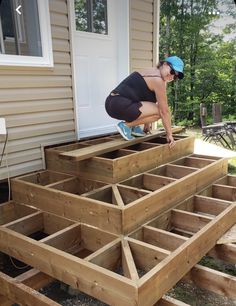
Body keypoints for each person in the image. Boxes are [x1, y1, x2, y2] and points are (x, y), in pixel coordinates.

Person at [105, 56, 184, 148]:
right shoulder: (158, 80)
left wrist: (147, 124)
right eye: (172, 71)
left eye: (176, 76)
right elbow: (164, 111)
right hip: (119, 104)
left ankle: (134, 127)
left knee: (158, 109)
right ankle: (126, 125)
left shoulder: (153, 72)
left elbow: (146, 99)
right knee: (159, 112)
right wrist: (169, 134)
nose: (172, 76)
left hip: (112, 102)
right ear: (165, 64)